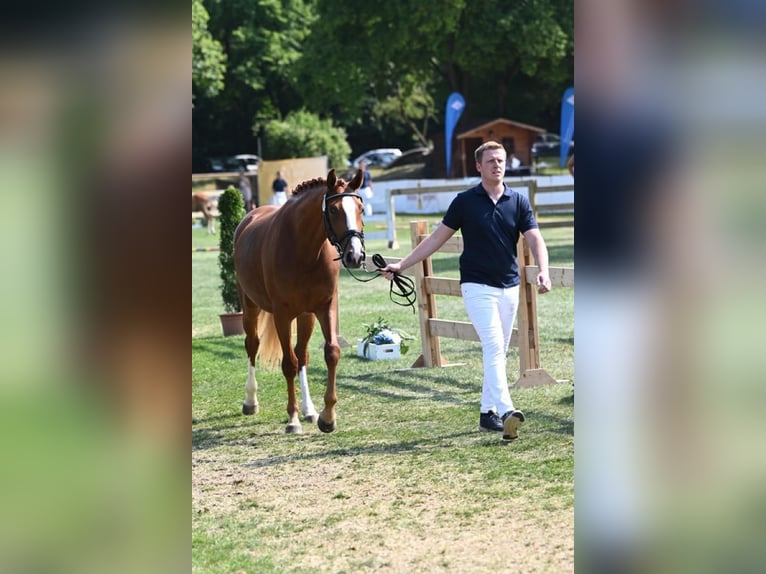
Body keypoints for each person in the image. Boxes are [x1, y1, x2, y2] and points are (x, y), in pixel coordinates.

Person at [380, 141, 552, 440]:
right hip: (476, 285)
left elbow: (536, 239)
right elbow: (436, 239)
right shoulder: (464, 201)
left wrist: (544, 271)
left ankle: (487, 413)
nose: (497, 165)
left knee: (497, 350)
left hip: (509, 286)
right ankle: (507, 409)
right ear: (478, 167)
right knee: (495, 345)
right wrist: (402, 265)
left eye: (500, 160)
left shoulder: (519, 201)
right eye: (491, 161)